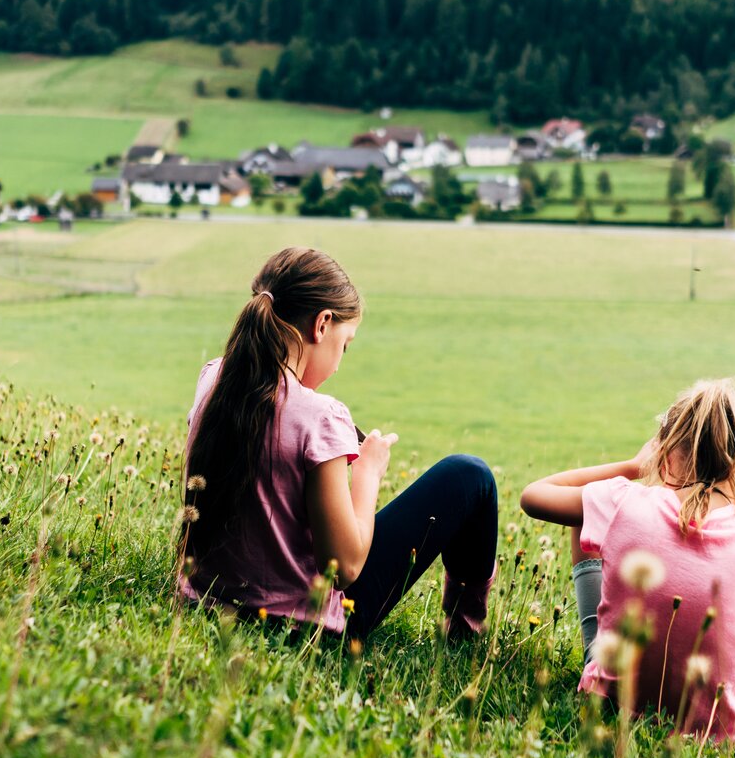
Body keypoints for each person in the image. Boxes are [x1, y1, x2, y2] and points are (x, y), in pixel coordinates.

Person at [181, 246, 498, 640]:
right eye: (344, 344)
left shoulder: (214, 379)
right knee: (469, 475)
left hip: (205, 598)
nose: (340, 360)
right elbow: (345, 566)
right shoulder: (320, 416)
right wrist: (368, 470)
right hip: (304, 623)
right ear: (322, 324)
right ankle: (465, 632)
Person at [521, 378, 735, 739]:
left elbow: (534, 495)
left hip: (615, 700)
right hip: (719, 725)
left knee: (588, 512)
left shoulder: (625, 500)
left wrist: (633, 466)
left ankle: (600, 661)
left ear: (667, 450)